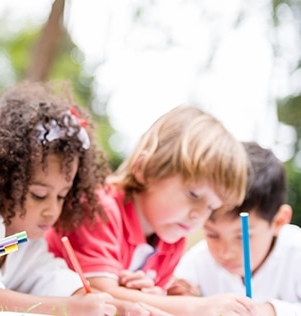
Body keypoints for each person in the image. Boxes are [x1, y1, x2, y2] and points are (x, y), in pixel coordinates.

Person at [0, 82, 166, 316]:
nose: (52, 210)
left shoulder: (28, 242)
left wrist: (119, 308)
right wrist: (71, 309)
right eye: (39, 195)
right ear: (1, 180)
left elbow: (58, 282)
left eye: (62, 196)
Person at [46, 105, 258, 315]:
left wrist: (156, 295)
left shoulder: (172, 240)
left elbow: (141, 305)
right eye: (193, 195)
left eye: (212, 207)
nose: (199, 215)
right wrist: (197, 307)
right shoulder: (100, 209)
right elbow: (101, 296)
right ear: (145, 169)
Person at [168, 142, 301, 315]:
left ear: (278, 222)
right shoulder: (200, 259)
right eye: (212, 235)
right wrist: (177, 296)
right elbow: (172, 294)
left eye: (242, 237)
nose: (226, 253)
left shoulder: (296, 251)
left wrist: (271, 311)